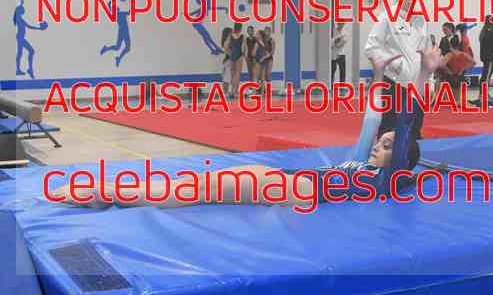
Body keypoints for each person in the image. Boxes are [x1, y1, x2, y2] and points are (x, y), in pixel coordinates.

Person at [52, 47, 442, 211]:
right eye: (383, 142)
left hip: (292, 189)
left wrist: (425, 73)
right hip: (285, 180)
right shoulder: (361, 163)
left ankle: (108, 194)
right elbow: (372, 120)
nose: (378, 145)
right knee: (199, 185)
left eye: (387, 146)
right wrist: (377, 75)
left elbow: (406, 124)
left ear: (400, 161)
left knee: (198, 191)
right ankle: (113, 192)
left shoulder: (384, 179)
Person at [365, 0, 428, 140]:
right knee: (388, 132)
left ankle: (410, 156)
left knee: (414, 131)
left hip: (415, 85)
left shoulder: (421, 20)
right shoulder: (386, 17)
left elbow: (422, 49)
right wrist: (395, 64)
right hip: (393, 83)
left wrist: (427, 75)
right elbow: (371, 48)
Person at [13, 0, 47, 79]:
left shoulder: (20, 19)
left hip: (21, 38)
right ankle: (20, 69)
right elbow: (17, 13)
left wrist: (39, 28)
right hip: (20, 38)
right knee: (22, 53)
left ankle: (25, 69)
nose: (24, 11)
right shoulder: (18, 18)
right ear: (20, 11)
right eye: (22, 10)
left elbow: (29, 26)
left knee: (26, 52)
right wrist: (21, 4)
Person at [472, 16, 493, 107]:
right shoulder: (489, 33)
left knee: (484, 76)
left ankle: (483, 95)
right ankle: (483, 97)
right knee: (486, 77)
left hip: (485, 57)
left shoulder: (484, 32)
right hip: (489, 58)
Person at [100, 0, 132, 67]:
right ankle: (117, 58)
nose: (118, 7)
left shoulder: (116, 14)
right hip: (124, 30)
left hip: (121, 30)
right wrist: (131, 2)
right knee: (126, 48)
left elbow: (109, 6)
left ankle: (107, 49)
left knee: (118, 47)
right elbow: (129, 12)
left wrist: (112, 1)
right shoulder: (120, 14)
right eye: (117, 7)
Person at [228, 22, 245, 98]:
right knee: (238, 74)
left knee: (232, 74)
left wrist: (230, 53)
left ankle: (232, 91)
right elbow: (243, 48)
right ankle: (235, 91)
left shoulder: (230, 36)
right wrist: (243, 55)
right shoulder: (242, 36)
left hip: (232, 55)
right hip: (239, 55)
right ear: (240, 28)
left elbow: (227, 46)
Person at [256, 26, 275, 92]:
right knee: (262, 75)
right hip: (262, 59)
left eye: (267, 31)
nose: (266, 33)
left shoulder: (272, 40)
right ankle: (263, 89)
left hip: (269, 59)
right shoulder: (262, 40)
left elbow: (272, 52)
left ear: (270, 32)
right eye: (265, 31)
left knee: (268, 75)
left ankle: (269, 89)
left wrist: (264, 57)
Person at [220, 27, 232, 96]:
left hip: (228, 61)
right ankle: (225, 93)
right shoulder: (226, 42)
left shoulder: (228, 41)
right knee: (226, 78)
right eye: (231, 32)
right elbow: (228, 52)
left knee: (227, 78)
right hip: (228, 61)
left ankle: (226, 92)